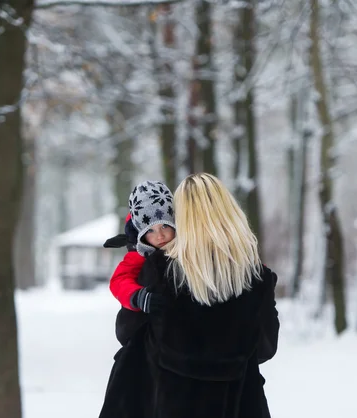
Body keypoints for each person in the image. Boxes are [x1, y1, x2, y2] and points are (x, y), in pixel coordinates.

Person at [98, 173, 280, 418]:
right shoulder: (257, 280)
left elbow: (126, 333)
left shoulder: (160, 270)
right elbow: (265, 349)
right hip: (234, 404)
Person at [103, 180, 176, 344]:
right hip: (144, 327)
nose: (160, 236)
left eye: (165, 226)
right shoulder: (139, 254)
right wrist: (137, 297)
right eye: (150, 230)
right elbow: (119, 280)